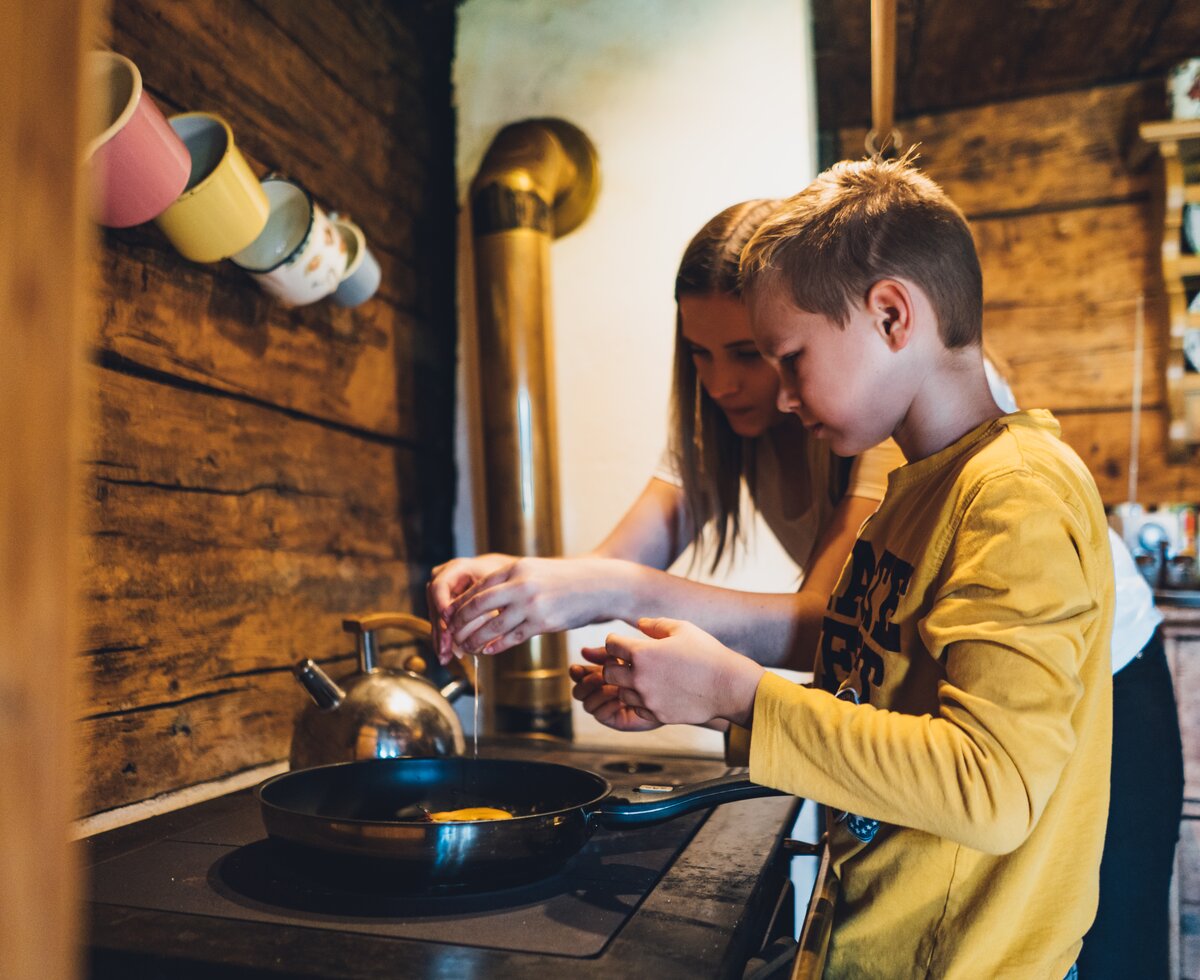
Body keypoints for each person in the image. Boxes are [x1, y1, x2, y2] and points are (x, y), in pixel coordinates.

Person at [577, 156, 1114, 978]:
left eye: (791, 357)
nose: (783, 397)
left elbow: (992, 787)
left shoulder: (1017, 495)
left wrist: (734, 690)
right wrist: (698, 697)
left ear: (893, 315)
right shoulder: (907, 499)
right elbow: (874, 706)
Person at [429, 200, 904, 677]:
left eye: (746, 354)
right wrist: (508, 576)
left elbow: (827, 623)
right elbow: (611, 564)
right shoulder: (722, 426)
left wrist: (616, 590)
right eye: (700, 353)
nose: (720, 385)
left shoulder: (882, 417)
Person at [984, 360, 1183, 979]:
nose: (725, 383)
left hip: (1110, 670)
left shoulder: (926, 377)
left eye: (775, 353)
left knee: (1117, 938)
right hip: (1037, 675)